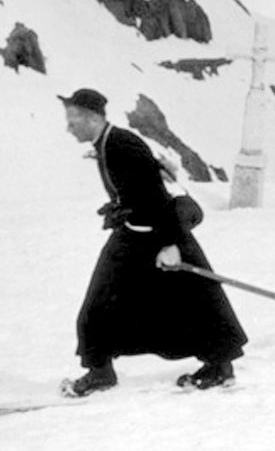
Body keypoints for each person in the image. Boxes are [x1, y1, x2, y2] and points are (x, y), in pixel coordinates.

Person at [60, 88, 248, 396]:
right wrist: (119, 209)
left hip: (160, 234)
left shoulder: (121, 145)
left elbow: (155, 197)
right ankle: (100, 370)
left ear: (92, 118)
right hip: (136, 234)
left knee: (196, 299)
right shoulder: (107, 143)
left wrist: (171, 244)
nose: (69, 128)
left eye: (73, 120)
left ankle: (219, 367)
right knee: (104, 302)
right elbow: (137, 193)